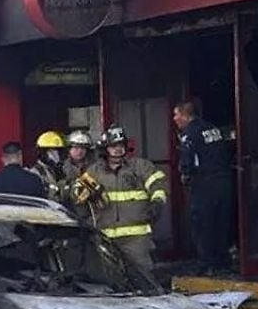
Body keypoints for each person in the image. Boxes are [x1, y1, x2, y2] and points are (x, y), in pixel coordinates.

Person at [85, 125, 168, 274]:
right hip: (105, 237)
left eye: (121, 145)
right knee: (110, 278)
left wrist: (157, 202)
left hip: (136, 238)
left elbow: (158, 185)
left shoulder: (140, 166)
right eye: (113, 146)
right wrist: (82, 193)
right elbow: (77, 194)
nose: (118, 149)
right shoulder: (94, 171)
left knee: (143, 276)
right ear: (105, 148)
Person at [173, 102, 235, 274]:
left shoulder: (189, 134)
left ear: (185, 115)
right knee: (220, 222)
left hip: (204, 184)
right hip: (223, 181)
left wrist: (185, 175)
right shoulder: (212, 129)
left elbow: (188, 160)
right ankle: (223, 261)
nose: (174, 119)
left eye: (176, 115)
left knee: (202, 223)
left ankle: (206, 263)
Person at [31, 131, 66, 200]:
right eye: (51, 151)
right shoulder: (35, 173)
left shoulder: (60, 171)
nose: (56, 155)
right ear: (42, 152)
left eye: (58, 151)